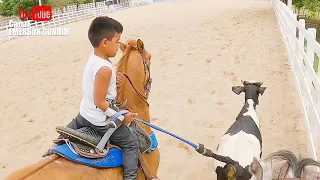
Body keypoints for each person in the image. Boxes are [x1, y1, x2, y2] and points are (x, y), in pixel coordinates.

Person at [44, 16, 140, 180]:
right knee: (132, 143)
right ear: (104, 42)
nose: (119, 46)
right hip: (99, 122)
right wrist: (122, 117)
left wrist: (112, 80)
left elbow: (98, 84)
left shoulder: (95, 59)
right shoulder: (105, 69)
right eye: (117, 41)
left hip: (83, 116)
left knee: (61, 138)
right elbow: (100, 102)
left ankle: (47, 155)